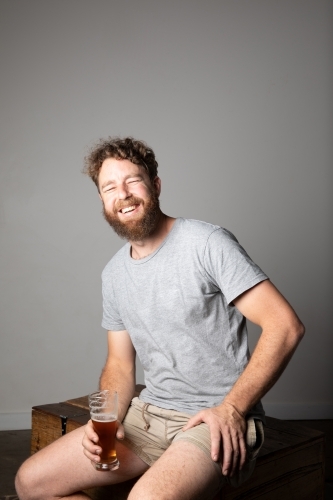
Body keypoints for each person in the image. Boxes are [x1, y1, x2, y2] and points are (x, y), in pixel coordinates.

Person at [15, 137, 305, 500]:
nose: (123, 193)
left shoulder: (206, 242)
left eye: (133, 181)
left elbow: (286, 326)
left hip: (213, 419)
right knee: (30, 482)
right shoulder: (114, 274)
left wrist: (232, 409)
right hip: (148, 416)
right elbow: (120, 363)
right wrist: (104, 421)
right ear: (103, 201)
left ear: (155, 185)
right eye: (110, 187)